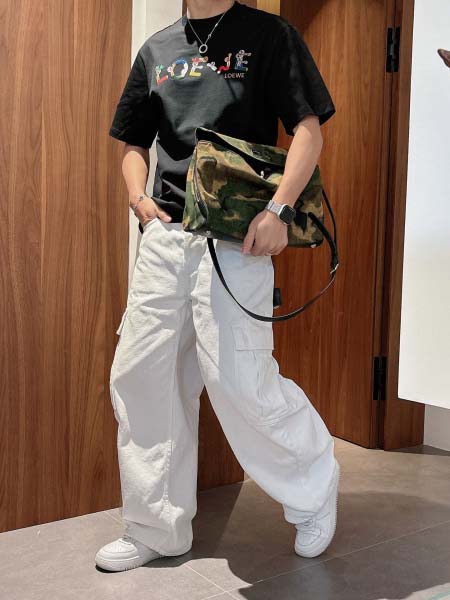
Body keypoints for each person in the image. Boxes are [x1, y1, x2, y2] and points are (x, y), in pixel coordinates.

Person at [95, 0, 340, 572]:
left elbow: (308, 130)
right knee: (142, 376)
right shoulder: (157, 49)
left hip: (234, 237)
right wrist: (138, 200)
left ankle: (313, 490)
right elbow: (133, 142)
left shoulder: (270, 35)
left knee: (241, 380)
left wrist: (279, 210)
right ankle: (156, 526)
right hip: (165, 237)